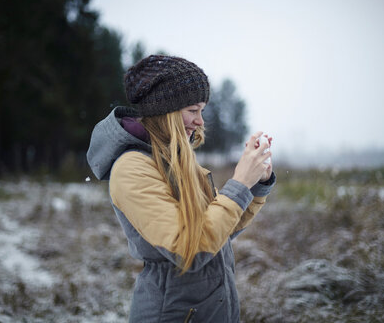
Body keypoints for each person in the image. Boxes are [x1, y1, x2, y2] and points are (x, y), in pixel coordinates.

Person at [87, 55, 276, 323]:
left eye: (202, 111)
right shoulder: (132, 169)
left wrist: (256, 186)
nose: (200, 121)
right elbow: (193, 249)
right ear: (166, 111)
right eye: (192, 110)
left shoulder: (180, 163)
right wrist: (239, 183)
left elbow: (217, 234)